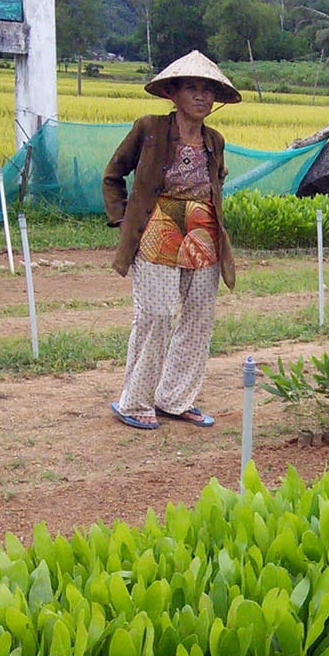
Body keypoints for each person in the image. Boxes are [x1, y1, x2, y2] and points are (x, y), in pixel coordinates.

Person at [103, 50, 239, 431]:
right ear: (173, 95)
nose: (201, 97)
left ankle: (175, 399)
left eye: (208, 91)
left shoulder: (215, 139)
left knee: (198, 319)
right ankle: (135, 401)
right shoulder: (148, 128)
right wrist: (123, 219)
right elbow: (113, 175)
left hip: (204, 234)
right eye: (192, 88)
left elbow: (217, 180)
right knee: (156, 315)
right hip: (157, 230)